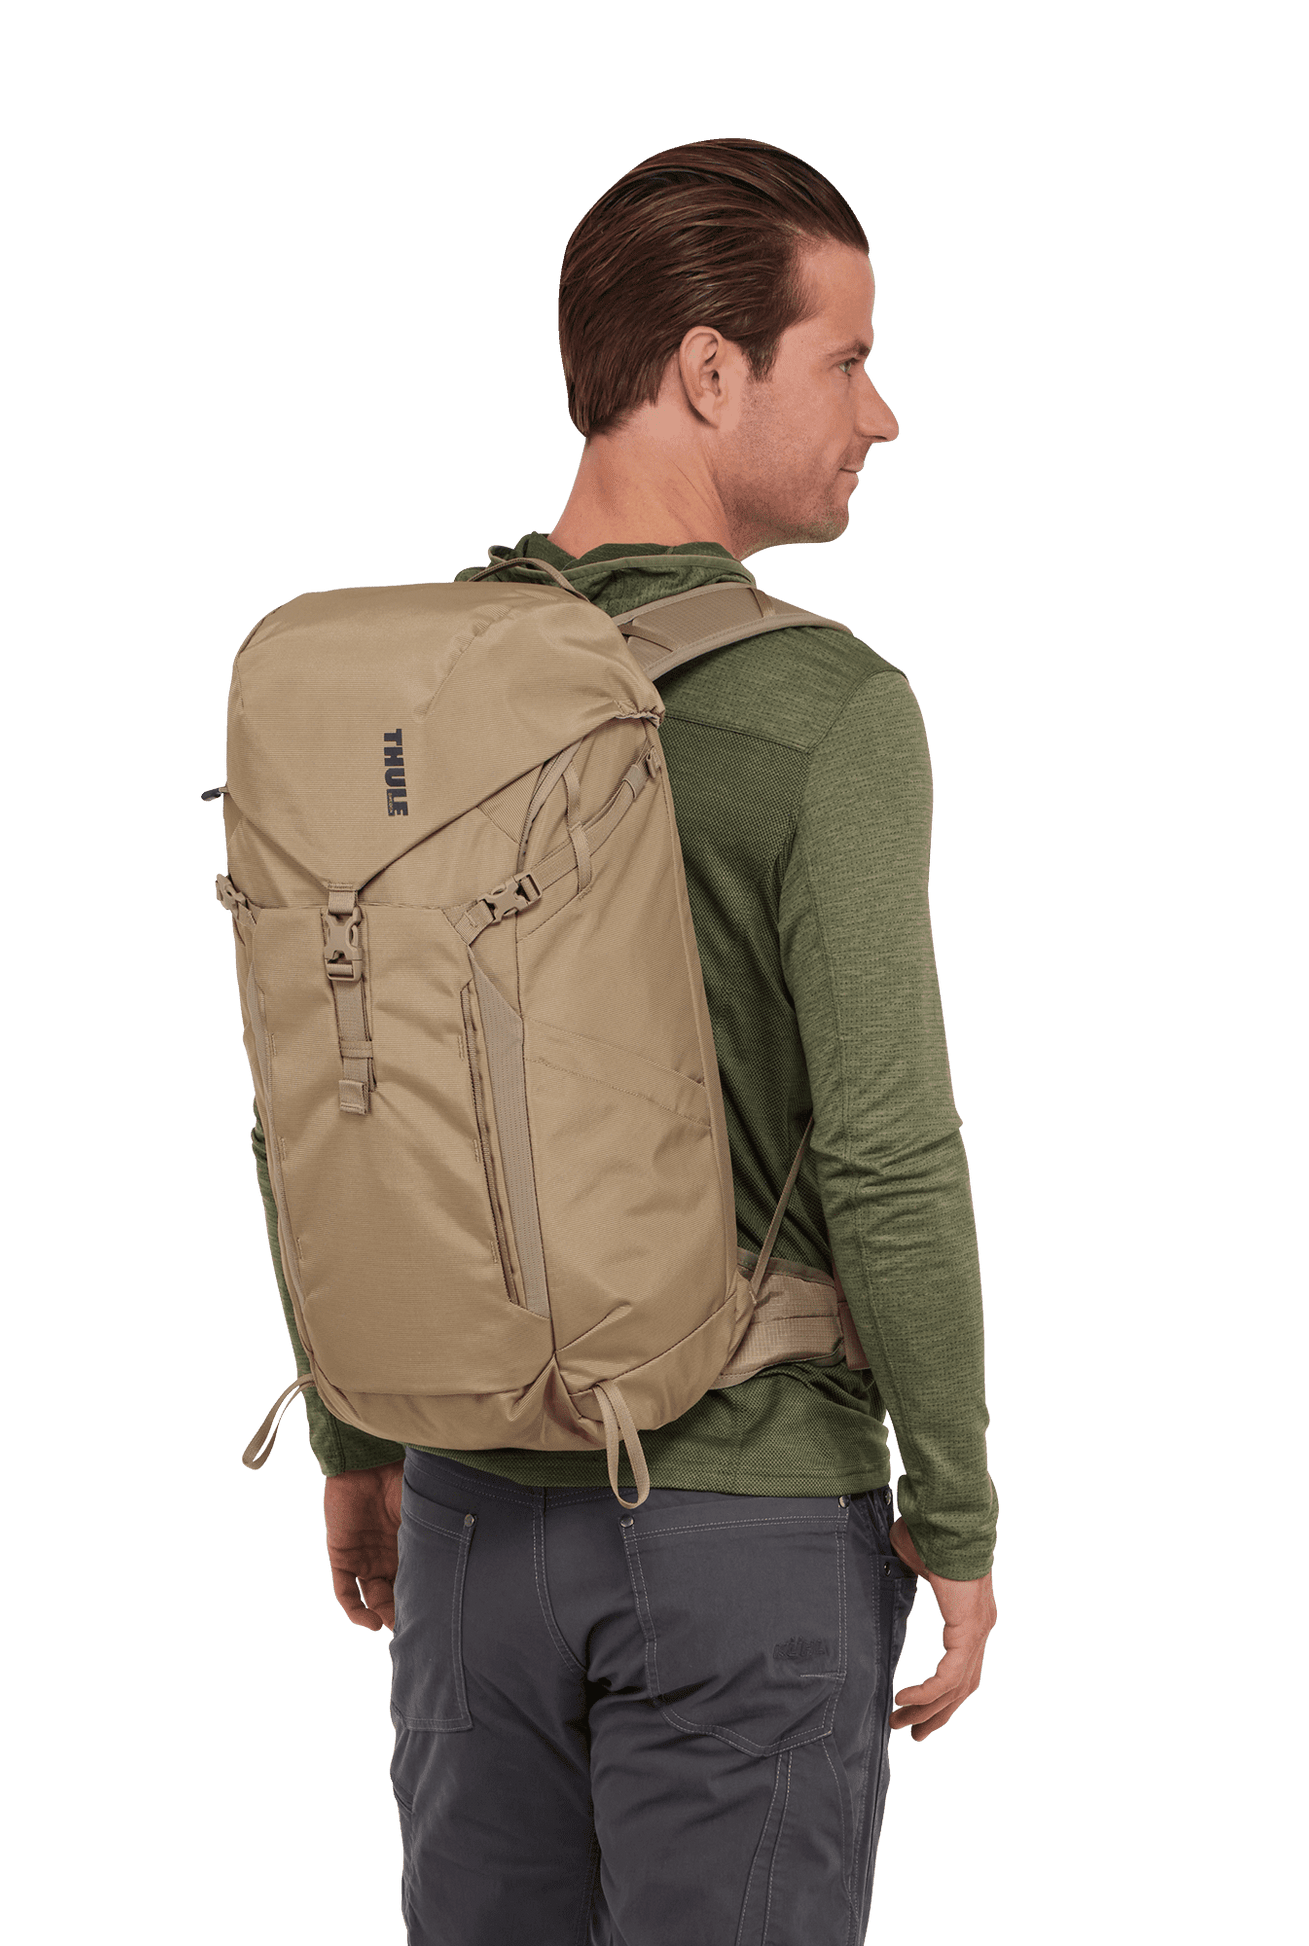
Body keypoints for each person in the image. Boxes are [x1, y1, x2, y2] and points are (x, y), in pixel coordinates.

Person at [249, 138, 999, 1944]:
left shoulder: (410, 687)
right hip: (744, 1527)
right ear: (709, 369)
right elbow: (888, 1147)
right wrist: (959, 1515)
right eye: (848, 358)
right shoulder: (825, 706)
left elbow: (335, 1083)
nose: (880, 413)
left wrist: (357, 1433)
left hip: (464, 1522)